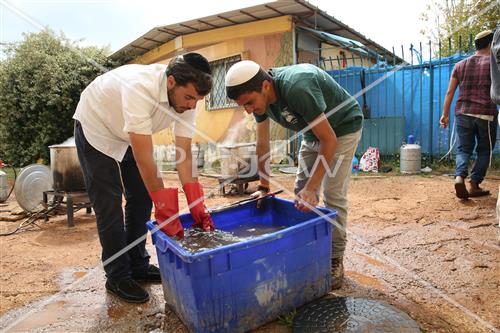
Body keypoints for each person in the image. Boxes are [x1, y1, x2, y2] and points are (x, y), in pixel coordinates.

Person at [73, 53, 215, 303]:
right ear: (171, 82)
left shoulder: (187, 101)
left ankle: (138, 264)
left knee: (141, 199)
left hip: (128, 133)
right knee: (110, 205)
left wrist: (196, 202)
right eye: (189, 98)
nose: (192, 105)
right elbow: (145, 159)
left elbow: (184, 156)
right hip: (97, 126)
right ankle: (117, 275)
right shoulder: (140, 88)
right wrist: (166, 208)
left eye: (198, 100)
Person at [224, 60, 363, 289]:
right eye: (243, 106)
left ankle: (334, 258)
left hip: (343, 127)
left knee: (332, 194)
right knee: (300, 195)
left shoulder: (297, 87)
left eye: (249, 103)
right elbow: (262, 145)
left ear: (266, 86)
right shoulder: (260, 101)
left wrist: (313, 186)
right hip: (312, 133)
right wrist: (263, 187)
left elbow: (329, 140)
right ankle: (307, 250)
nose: (247, 110)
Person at [440, 30, 497, 199]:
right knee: (485, 150)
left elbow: (449, 92)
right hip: (486, 114)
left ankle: (459, 177)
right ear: (490, 44)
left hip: (462, 113)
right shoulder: (494, 65)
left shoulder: (460, 65)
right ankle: (474, 184)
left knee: (463, 149)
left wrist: (444, 114)